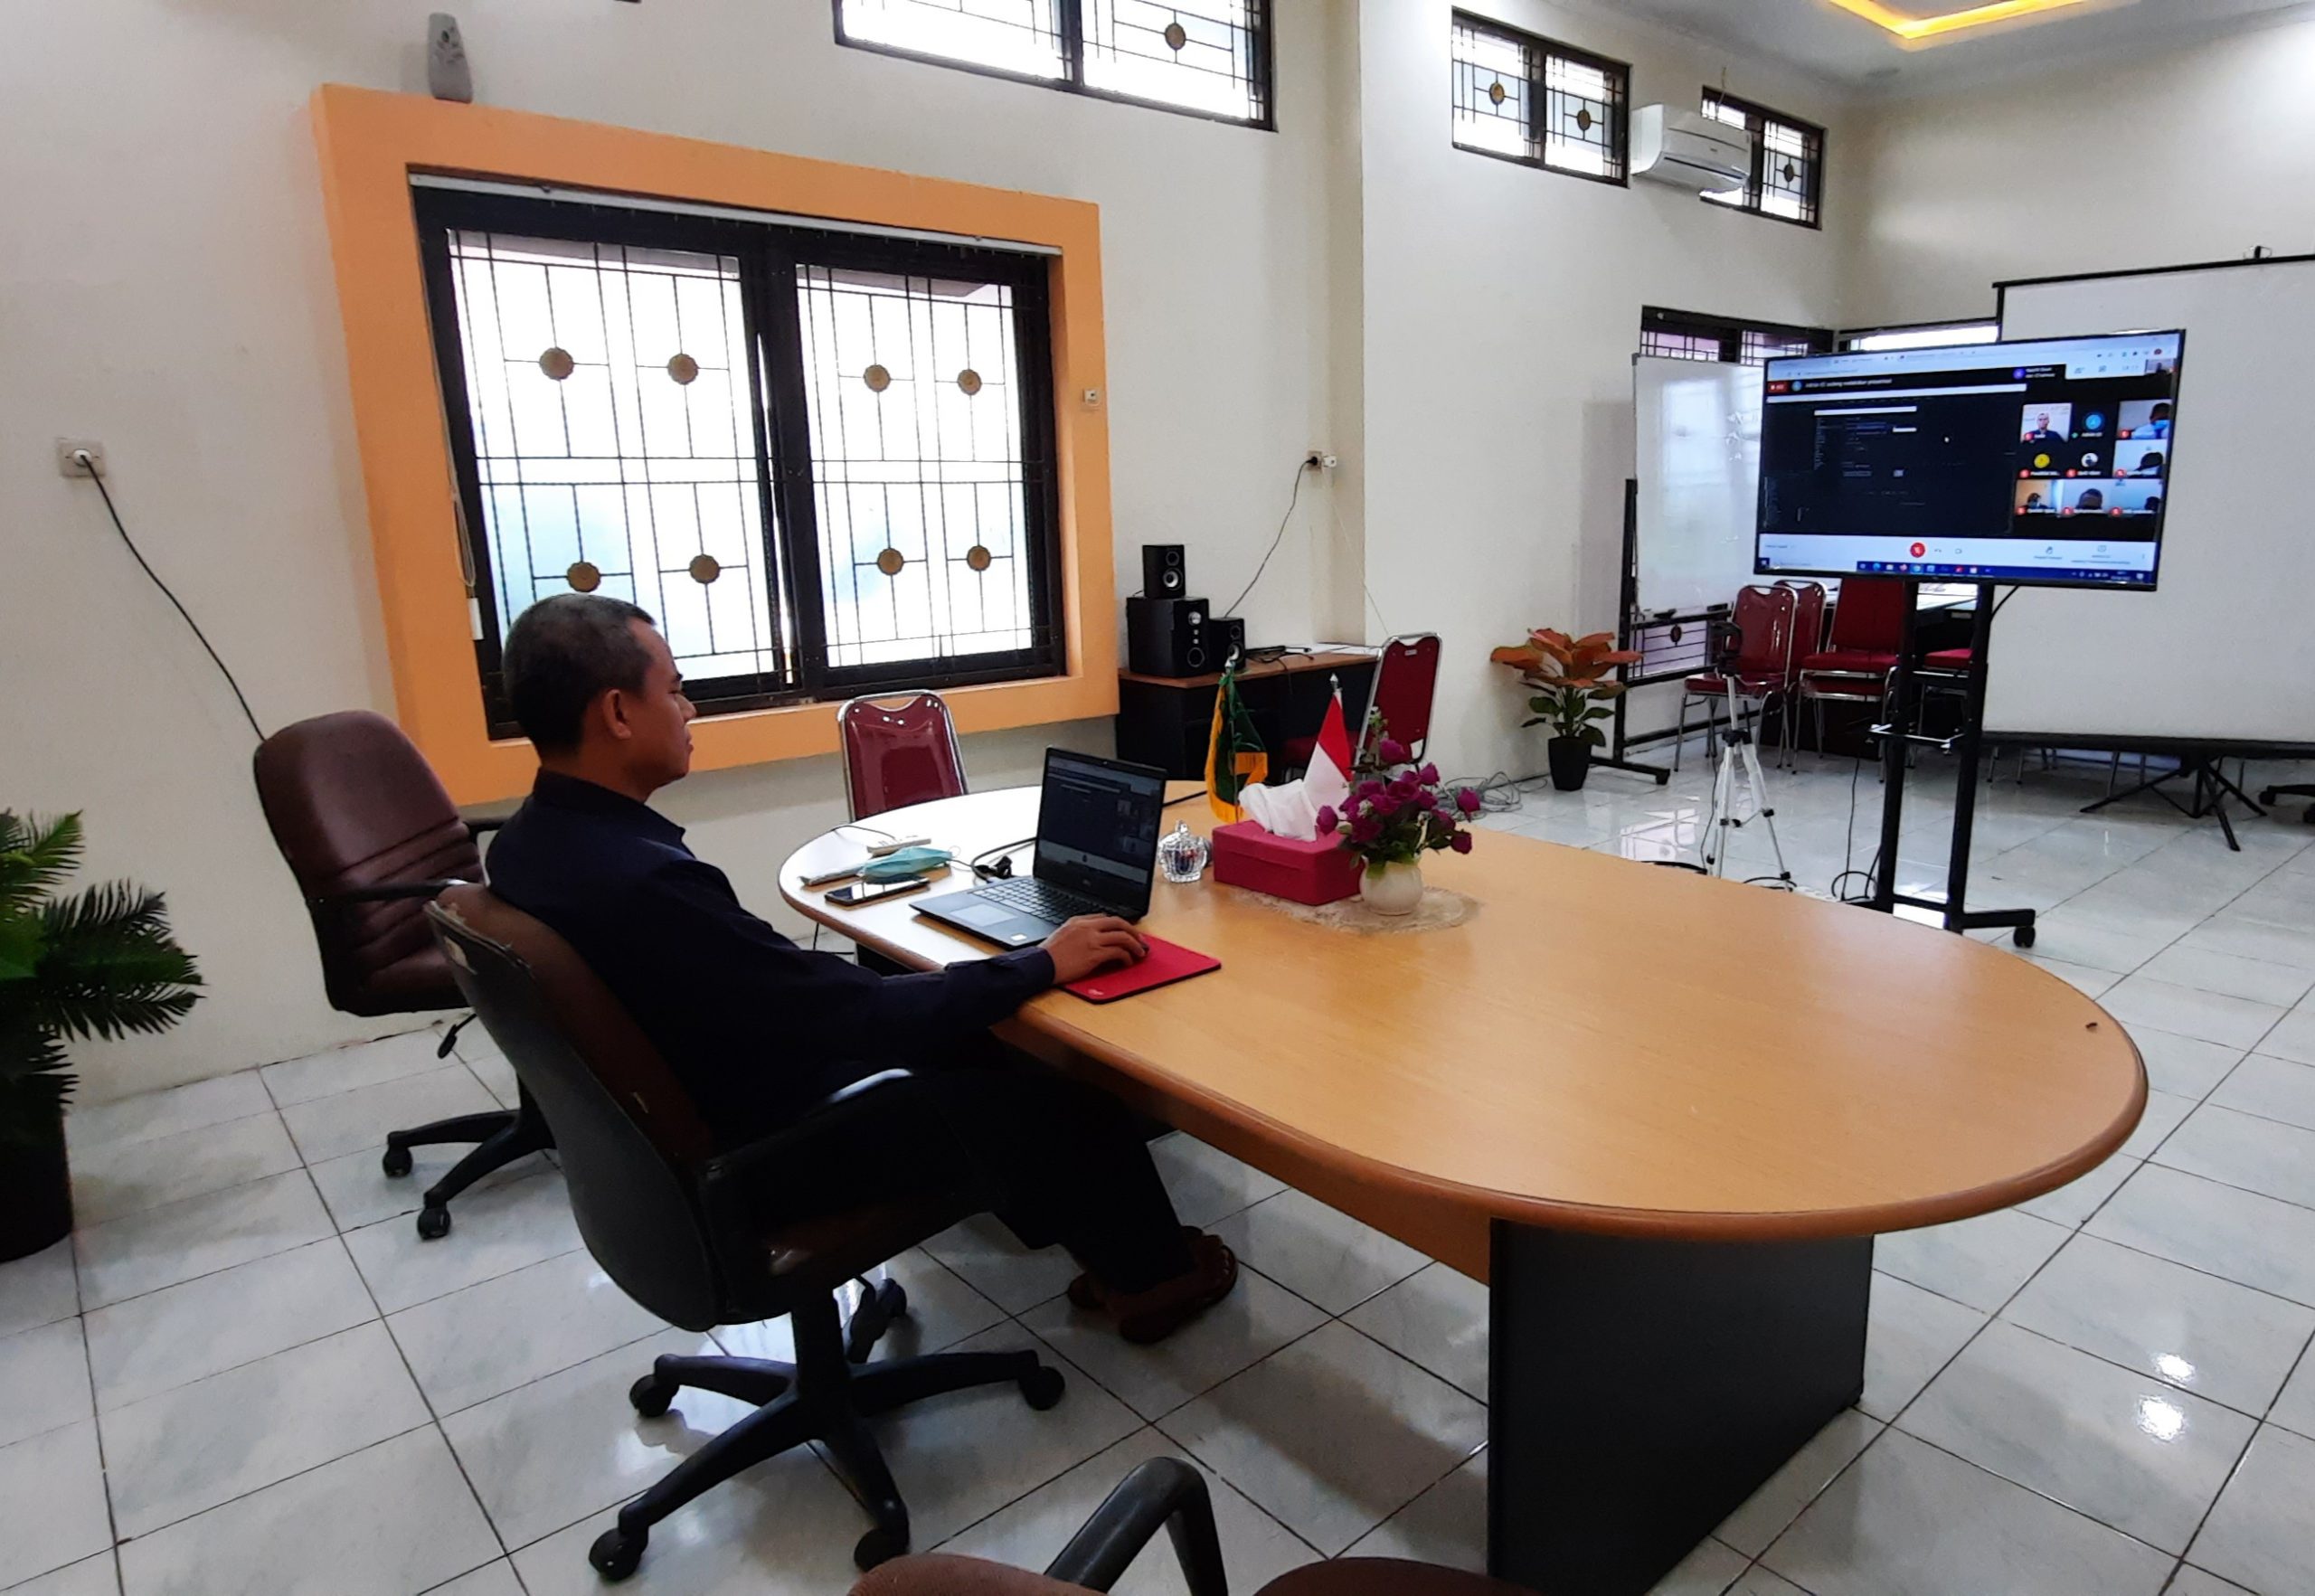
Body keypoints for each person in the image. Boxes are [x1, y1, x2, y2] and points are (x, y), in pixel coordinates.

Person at [483, 593, 1238, 1342]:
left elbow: (784, 993)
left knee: (978, 1040)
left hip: (697, 1113)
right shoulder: (642, 882)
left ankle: (1101, 1242)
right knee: (1068, 1101)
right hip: (770, 1145)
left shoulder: (528, 843)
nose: (689, 711)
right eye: (675, 690)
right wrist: (1040, 962)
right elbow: (847, 1013)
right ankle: (1157, 1282)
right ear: (617, 712)